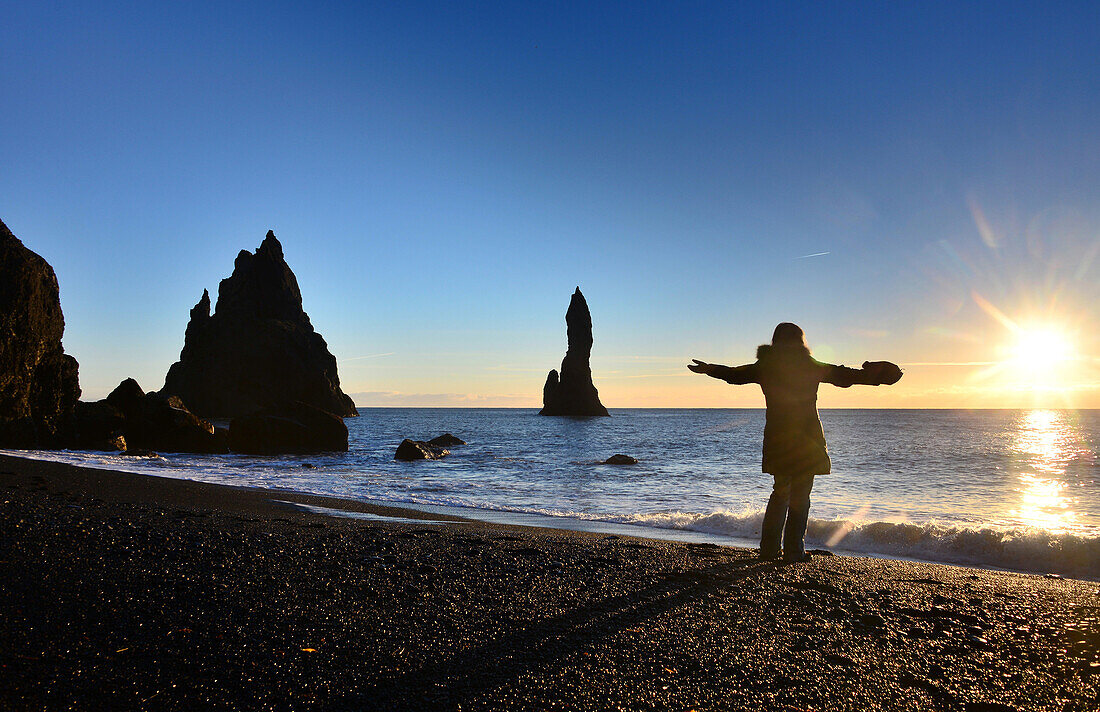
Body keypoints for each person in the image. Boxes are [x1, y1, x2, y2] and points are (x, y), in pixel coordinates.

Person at [688, 323, 902, 563]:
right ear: (801, 342)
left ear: (775, 341)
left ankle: (769, 550)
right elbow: (848, 376)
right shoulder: (810, 365)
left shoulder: (767, 366)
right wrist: (881, 375)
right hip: (807, 440)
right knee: (801, 496)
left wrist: (710, 369)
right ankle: (793, 551)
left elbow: (735, 375)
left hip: (779, 438)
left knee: (780, 493)